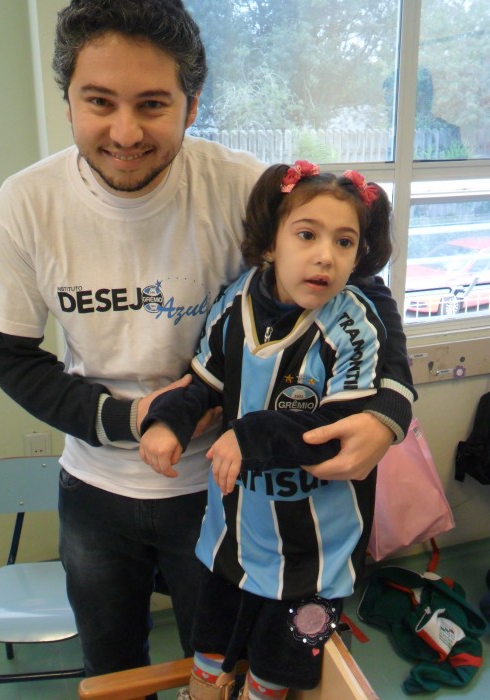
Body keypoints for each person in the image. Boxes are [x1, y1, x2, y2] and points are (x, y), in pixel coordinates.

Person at [0, 0, 414, 679]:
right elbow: (9, 353)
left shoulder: (239, 187)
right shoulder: (26, 203)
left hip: (224, 487)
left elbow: (353, 281)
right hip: (93, 490)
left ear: (191, 103)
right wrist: (126, 419)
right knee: (111, 665)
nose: (124, 131)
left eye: (152, 103)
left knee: (217, 661)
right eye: (98, 101)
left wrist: (390, 408)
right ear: (68, 102)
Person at [139, 161, 416, 699]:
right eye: (307, 235)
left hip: (317, 552)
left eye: (344, 242)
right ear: (270, 245)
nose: (324, 255)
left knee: (277, 668)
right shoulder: (234, 301)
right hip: (234, 537)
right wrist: (166, 424)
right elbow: (202, 383)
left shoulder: (353, 321)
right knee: (210, 647)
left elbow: (341, 423)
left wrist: (252, 434)